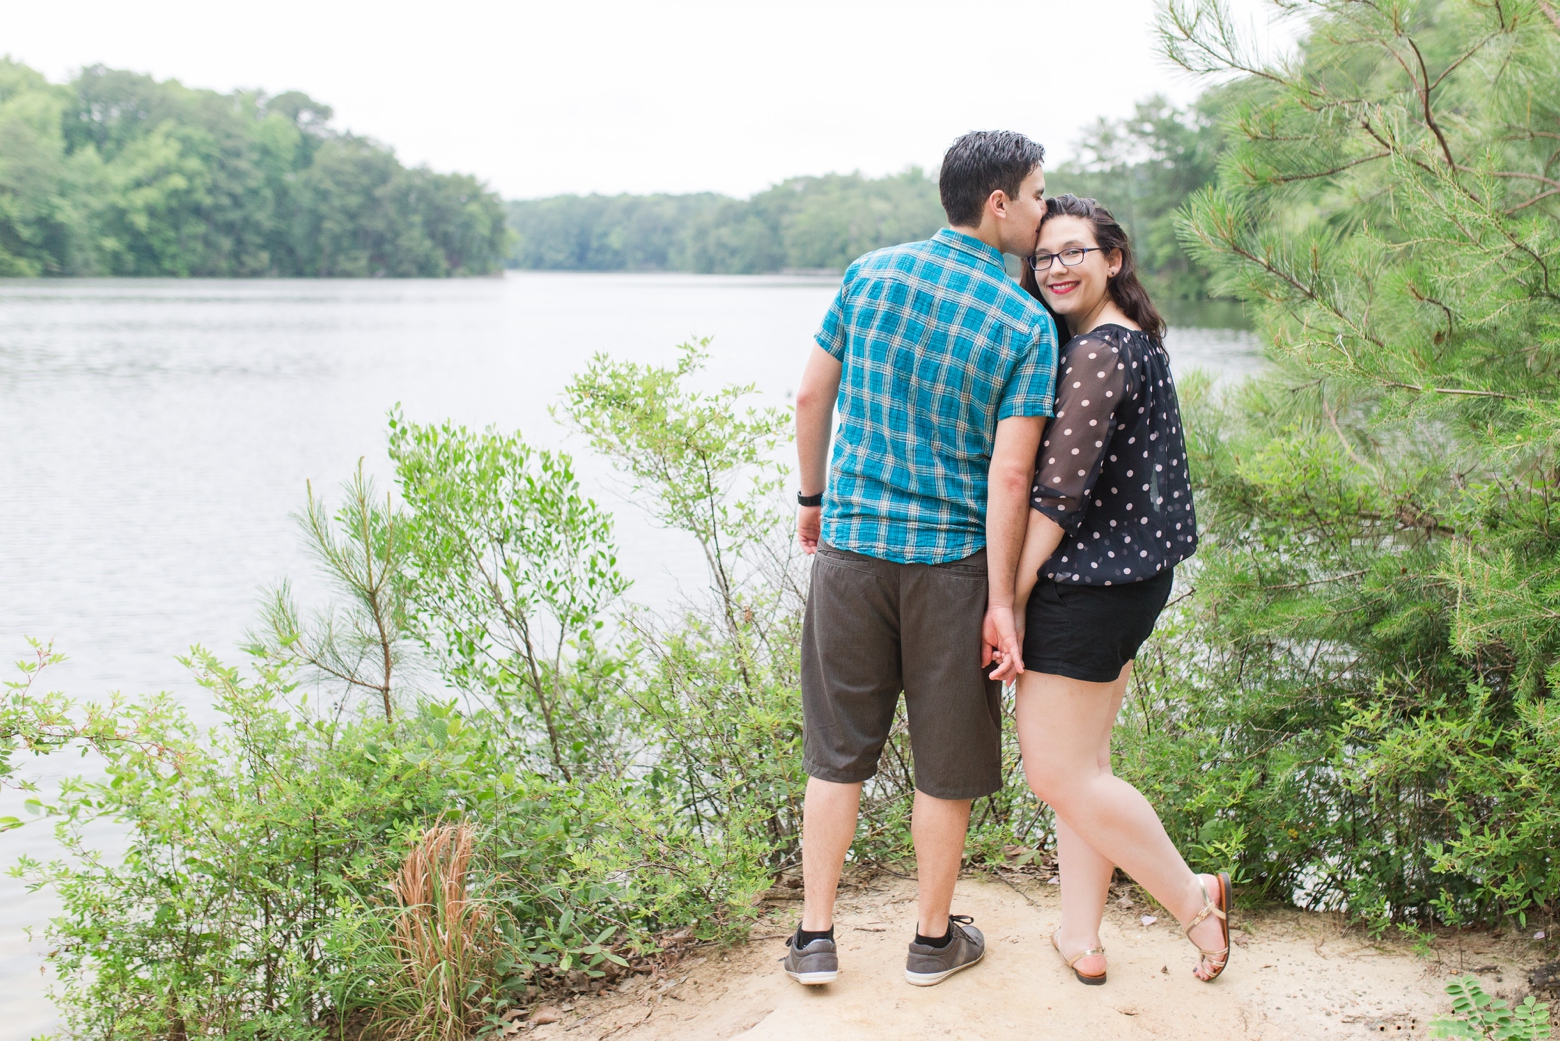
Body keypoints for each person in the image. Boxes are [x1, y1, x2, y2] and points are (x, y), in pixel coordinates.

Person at [785, 130, 1057, 988]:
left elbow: (808, 391)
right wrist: (1004, 600)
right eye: (1040, 194)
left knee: (836, 754)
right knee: (945, 764)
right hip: (951, 567)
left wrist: (812, 497)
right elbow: (1011, 474)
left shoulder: (870, 274)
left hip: (852, 551)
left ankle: (814, 937)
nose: (1047, 210)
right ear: (999, 203)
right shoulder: (1024, 322)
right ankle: (932, 942)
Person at [991, 193, 1230, 986]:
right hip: (1131, 584)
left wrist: (1011, 596)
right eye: (1044, 256)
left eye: (1074, 253)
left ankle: (1194, 901)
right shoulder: (1135, 341)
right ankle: (1079, 935)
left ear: (1113, 260)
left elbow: (1057, 496)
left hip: (1087, 588)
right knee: (1085, 764)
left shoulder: (1095, 353)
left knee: (1059, 773)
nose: (1055, 267)